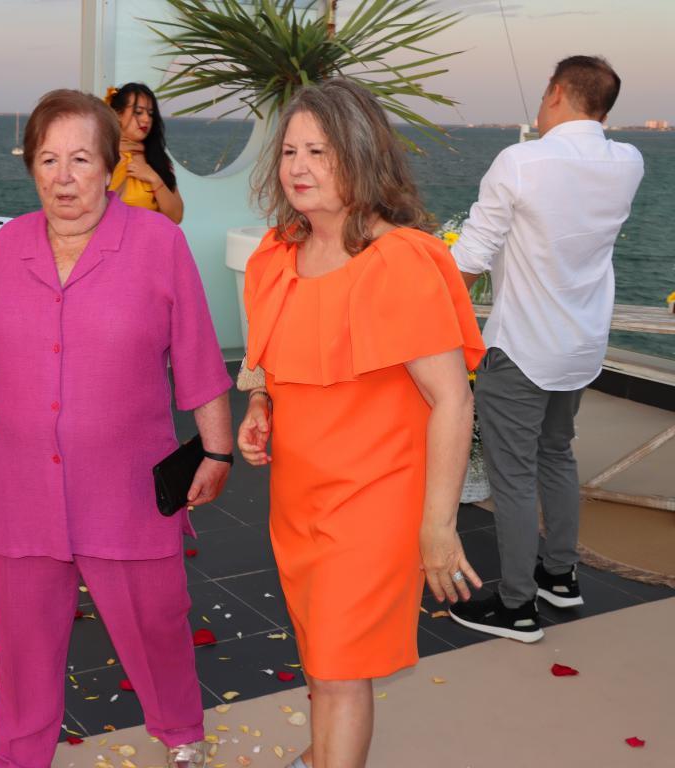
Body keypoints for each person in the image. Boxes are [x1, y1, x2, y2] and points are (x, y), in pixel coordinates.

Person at [0, 88, 233, 768]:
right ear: (31, 167)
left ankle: (181, 733)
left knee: (156, 623)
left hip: (126, 488)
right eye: (48, 159)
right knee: (23, 642)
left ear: (109, 166)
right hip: (20, 486)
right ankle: (20, 755)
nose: (63, 178)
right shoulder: (9, 244)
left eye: (80, 159)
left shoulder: (157, 243)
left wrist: (217, 450)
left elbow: (197, 355)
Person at [236, 79, 485, 768]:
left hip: (374, 500)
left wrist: (438, 526)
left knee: (342, 670)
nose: (299, 167)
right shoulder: (276, 255)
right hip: (299, 497)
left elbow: (452, 401)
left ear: (361, 155)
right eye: (291, 151)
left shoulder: (399, 261)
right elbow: (270, 359)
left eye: (319, 151)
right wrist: (259, 406)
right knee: (322, 658)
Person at [448, 56, 644, 641]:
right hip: (580, 347)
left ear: (557, 92)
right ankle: (559, 575)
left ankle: (516, 606)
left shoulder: (520, 162)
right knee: (556, 454)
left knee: (511, 477)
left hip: (521, 347)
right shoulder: (629, 162)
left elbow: (469, 259)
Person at [105, 83, 185, 223]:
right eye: (138, 112)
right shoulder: (104, 154)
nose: (146, 119)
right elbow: (98, 210)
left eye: (150, 113)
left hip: (153, 235)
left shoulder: (157, 159)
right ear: (117, 114)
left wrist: (154, 178)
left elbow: (176, 217)